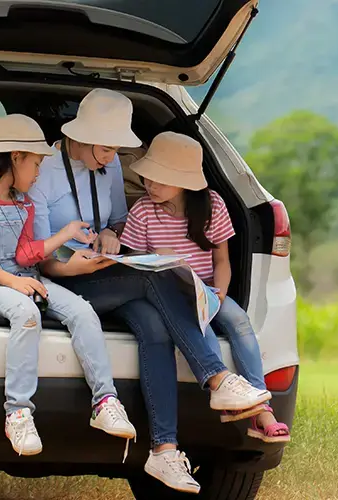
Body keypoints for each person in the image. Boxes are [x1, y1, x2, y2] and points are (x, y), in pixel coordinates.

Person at [30, 88, 271, 494]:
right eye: (105, 150)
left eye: (115, 151)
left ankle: (163, 450)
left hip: (110, 275)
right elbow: (40, 258)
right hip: (64, 280)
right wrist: (79, 263)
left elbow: (120, 224)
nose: (112, 161)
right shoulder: (43, 173)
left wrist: (109, 236)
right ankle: (216, 379)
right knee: (156, 273)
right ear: (78, 137)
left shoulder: (106, 169)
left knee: (155, 327)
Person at [0, 114, 137, 456]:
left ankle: (105, 400)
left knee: (82, 311)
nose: (38, 174)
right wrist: (14, 283)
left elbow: (24, 254)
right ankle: (17, 412)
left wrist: (64, 236)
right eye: (35, 164)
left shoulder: (24, 202)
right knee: (26, 313)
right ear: (14, 157)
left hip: (24, 278)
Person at [120, 131, 291, 443]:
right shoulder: (143, 210)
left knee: (239, 321)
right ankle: (231, 399)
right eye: (148, 178)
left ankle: (260, 408)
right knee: (204, 329)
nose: (150, 186)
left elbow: (222, 260)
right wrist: (159, 258)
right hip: (167, 295)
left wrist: (219, 294)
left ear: (184, 180)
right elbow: (133, 261)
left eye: (161, 179)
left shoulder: (212, 205)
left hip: (208, 289)